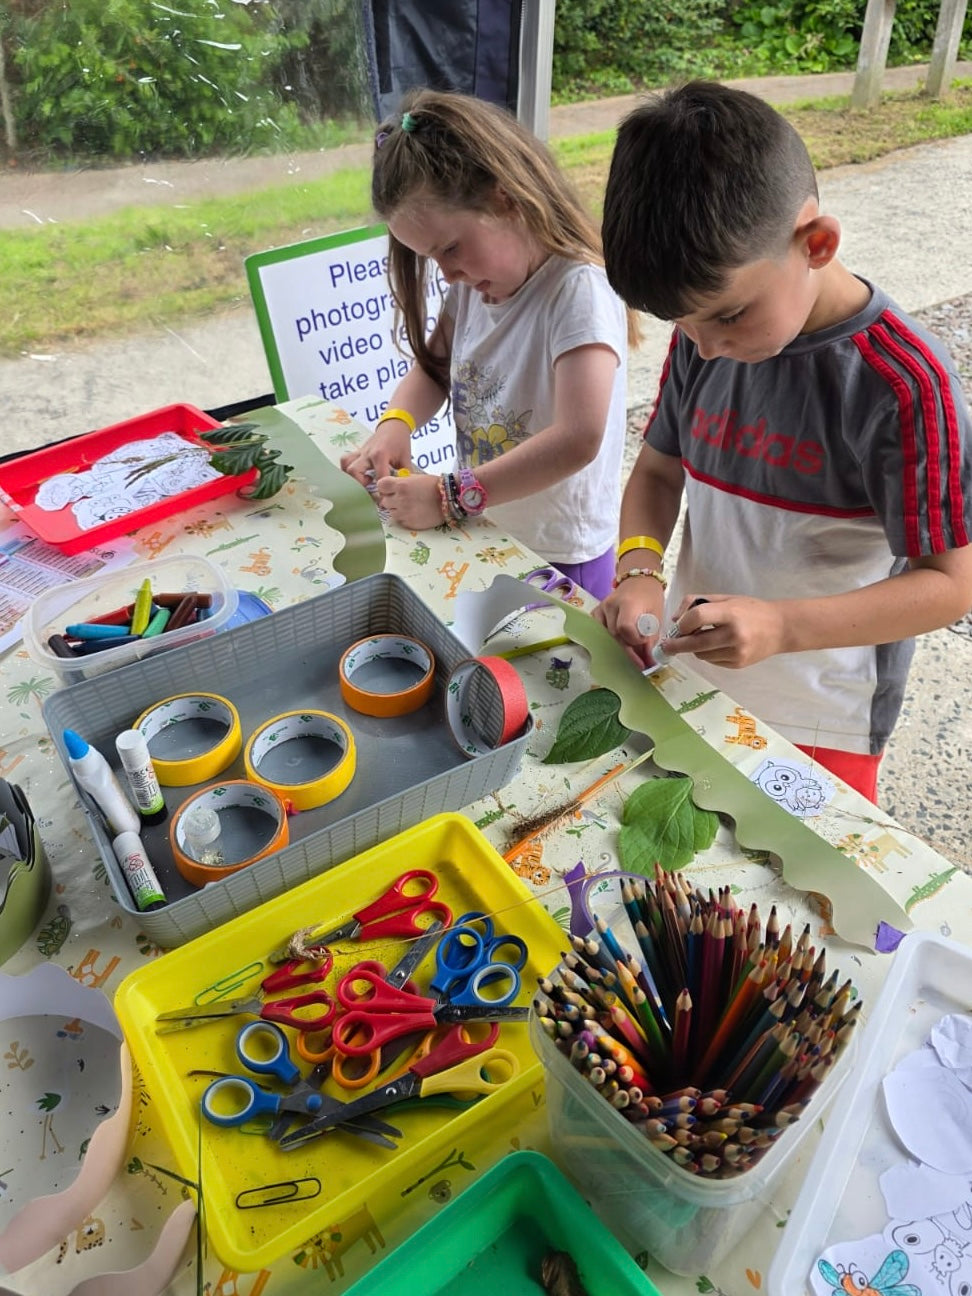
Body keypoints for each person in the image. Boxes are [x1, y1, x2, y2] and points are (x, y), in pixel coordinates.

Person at [594, 80, 972, 803]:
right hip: (697, 683)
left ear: (817, 243)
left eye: (728, 315)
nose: (702, 349)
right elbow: (656, 474)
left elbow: (951, 585)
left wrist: (782, 626)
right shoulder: (704, 342)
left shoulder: (904, 388)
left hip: (823, 716)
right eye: (685, 326)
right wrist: (638, 570)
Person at [340, 87, 635, 600]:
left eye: (451, 248)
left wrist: (448, 496)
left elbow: (579, 436)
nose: (447, 272)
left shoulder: (578, 290)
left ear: (506, 198)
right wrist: (395, 424)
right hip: (489, 525)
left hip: (562, 553)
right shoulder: (474, 285)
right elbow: (433, 367)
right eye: (432, 258)